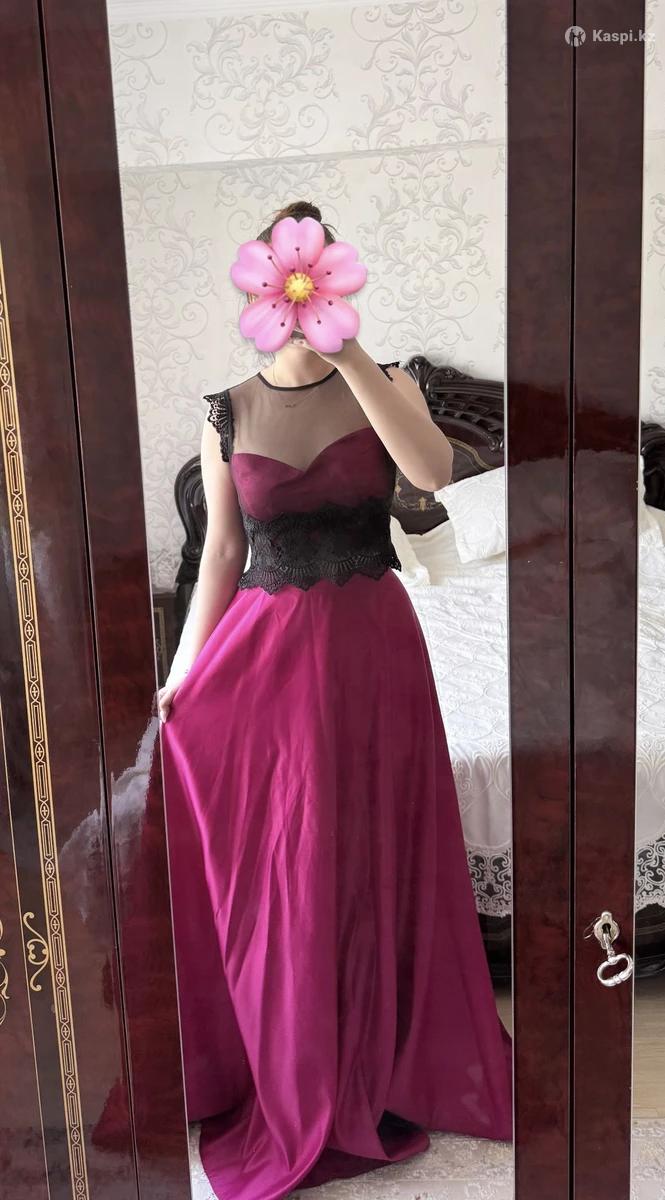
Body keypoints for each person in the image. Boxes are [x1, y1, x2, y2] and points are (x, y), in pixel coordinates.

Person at [158, 200, 513, 1200]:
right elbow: (221, 554)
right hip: (269, 655)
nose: (300, 291)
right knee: (293, 850)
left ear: (336, 279)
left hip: (374, 646)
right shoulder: (225, 410)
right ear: (259, 286)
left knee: (372, 837)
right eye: (285, 277)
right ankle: (293, 1050)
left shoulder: (383, 380)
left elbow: (434, 473)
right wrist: (181, 674)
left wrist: (352, 353)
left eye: (316, 275)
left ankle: (390, 1053)